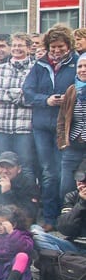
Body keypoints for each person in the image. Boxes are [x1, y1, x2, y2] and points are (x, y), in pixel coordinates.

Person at [23, 24, 78, 229]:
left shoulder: (77, 63)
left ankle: (67, 218)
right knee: (48, 171)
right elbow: (28, 92)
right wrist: (46, 100)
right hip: (42, 126)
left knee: (65, 174)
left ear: (68, 46)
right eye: (53, 47)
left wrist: (69, 98)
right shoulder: (39, 65)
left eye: (60, 47)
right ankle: (49, 216)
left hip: (66, 126)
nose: (56, 51)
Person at [0, 33, 36, 178]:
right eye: (14, 45)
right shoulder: (0, 68)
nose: (16, 48)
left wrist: (8, 95)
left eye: (20, 45)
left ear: (28, 48)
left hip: (24, 126)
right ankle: (3, 197)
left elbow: (33, 97)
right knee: (2, 165)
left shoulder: (36, 69)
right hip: (0, 124)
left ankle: (26, 200)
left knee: (25, 165)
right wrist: (19, 94)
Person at [56, 54, 86, 206]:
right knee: (66, 187)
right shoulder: (72, 90)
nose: (83, 70)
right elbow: (62, 119)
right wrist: (62, 142)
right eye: (80, 66)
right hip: (72, 145)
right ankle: (68, 220)